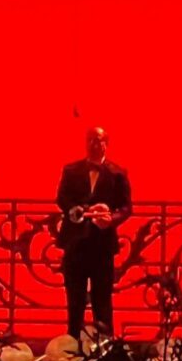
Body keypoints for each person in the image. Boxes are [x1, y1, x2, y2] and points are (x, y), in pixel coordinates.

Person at [56, 127, 131, 338]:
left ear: (106, 144)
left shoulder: (117, 173)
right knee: (75, 296)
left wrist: (111, 220)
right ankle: (72, 340)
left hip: (102, 244)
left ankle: (105, 343)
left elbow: (126, 207)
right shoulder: (71, 170)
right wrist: (74, 210)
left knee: (102, 296)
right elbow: (62, 198)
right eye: (90, 140)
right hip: (75, 243)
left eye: (99, 141)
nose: (94, 145)